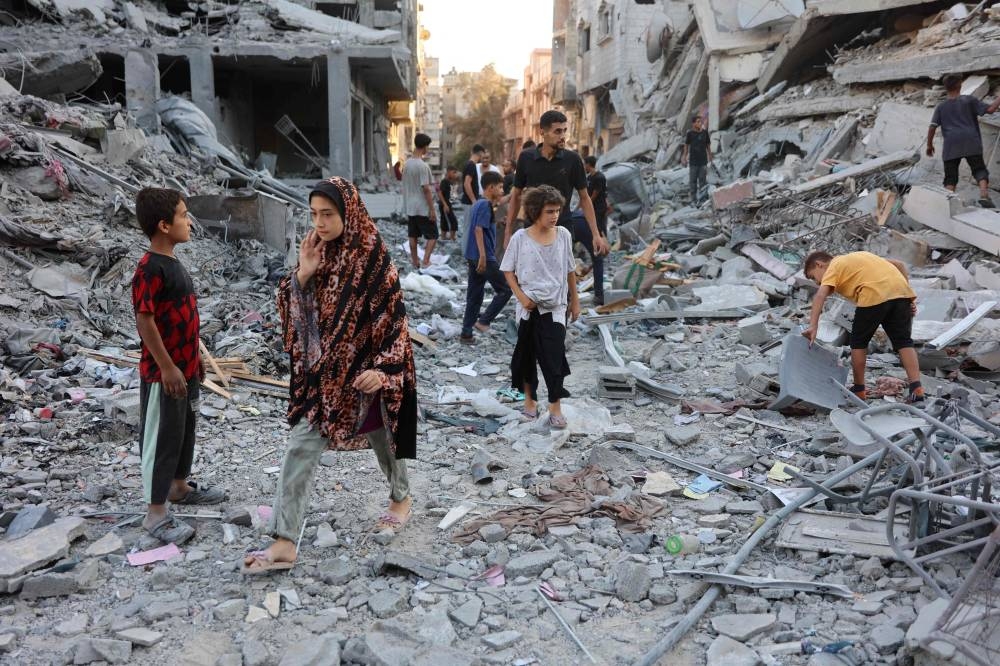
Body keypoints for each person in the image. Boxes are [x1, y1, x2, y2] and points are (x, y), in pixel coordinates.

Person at [243, 177, 418, 574]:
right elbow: (294, 317)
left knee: (383, 439)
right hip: (323, 377)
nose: (319, 223)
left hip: (366, 375)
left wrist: (382, 371)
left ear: (348, 213)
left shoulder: (373, 255)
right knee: (300, 447)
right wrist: (303, 276)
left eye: (328, 214)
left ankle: (401, 498)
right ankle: (285, 541)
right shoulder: (315, 251)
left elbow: (394, 321)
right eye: (314, 214)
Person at [131, 187, 226, 546]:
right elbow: (145, 321)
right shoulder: (149, 268)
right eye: (183, 215)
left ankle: (179, 486)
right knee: (162, 438)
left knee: (184, 430)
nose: (189, 221)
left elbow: (183, 319)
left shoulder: (172, 262)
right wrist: (168, 367)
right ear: (163, 225)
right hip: (163, 373)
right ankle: (155, 513)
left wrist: (194, 360)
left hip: (186, 368)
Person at [501, 185, 580, 429]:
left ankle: (555, 406)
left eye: (557, 210)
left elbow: (570, 271)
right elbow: (507, 270)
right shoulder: (520, 238)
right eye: (549, 211)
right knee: (527, 358)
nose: (554, 216)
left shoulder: (564, 235)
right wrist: (522, 298)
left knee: (554, 359)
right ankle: (530, 403)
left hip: (555, 307)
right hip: (528, 308)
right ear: (536, 211)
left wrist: (575, 301)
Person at [802, 250, 924, 404]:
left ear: (819, 264)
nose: (817, 282)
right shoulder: (860, 257)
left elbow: (820, 295)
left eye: (813, 277)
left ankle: (859, 389)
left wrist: (813, 326)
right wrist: (908, 297)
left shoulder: (834, 266)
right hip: (901, 292)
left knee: (858, 343)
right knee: (904, 341)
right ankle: (917, 389)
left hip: (873, 294)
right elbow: (899, 265)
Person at [505, 110, 609, 257]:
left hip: (562, 229)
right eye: (557, 131)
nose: (562, 136)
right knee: (531, 275)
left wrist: (596, 234)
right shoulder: (526, 158)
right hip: (533, 229)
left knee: (562, 276)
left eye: (564, 131)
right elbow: (516, 195)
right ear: (542, 132)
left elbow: (585, 198)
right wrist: (508, 231)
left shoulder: (572, 160)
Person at [927, 74, 1000, 208]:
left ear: (946, 88)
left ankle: (948, 202)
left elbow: (932, 127)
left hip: (951, 145)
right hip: (971, 141)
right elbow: (990, 110)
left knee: (951, 175)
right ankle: (984, 195)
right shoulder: (969, 100)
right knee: (979, 169)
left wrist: (929, 145)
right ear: (960, 85)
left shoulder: (941, 107)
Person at [461, 170, 513, 344]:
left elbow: (483, 225)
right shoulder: (485, 205)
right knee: (506, 289)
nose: (502, 190)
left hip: (472, 255)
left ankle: (466, 334)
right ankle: (484, 321)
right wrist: (483, 256)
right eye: (500, 187)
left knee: (474, 296)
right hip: (484, 256)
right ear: (490, 187)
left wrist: (498, 223)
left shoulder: (479, 203)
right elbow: (478, 230)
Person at [402, 133, 438, 268]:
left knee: (413, 235)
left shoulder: (407, 164)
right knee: (433, 235)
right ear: (425, 147)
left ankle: (415, 261)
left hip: (410, 206)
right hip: (422, 207)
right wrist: (432, 209)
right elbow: (426, 189)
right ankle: (426, 261)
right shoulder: (422, 166)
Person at [583, 155, 609, 305]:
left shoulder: (599, 177)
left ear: (589, 164)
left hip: (597, 209)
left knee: (600, 231)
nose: (584, 167)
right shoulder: (590, 177)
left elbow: (594, 195)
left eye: (585, 164)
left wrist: (584, 205)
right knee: (596, 231)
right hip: (592, 209)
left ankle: (602, 249)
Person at [681, 114, 712, 205]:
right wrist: (684, 157)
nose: (700, 123)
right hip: (693, 162)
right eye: (698, 122)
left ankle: (703, 198)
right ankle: (693, 199)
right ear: (693, 124)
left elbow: (708, 145)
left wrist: (710, 156)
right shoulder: (690, 133)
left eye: (700, 121)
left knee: (702, 180)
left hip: (703, 161)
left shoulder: (705, 133)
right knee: (693, 181)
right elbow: (686, 146)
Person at [438, 166, 460, 241]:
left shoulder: (449, 181)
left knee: (446, 220)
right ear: (448, 172)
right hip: (444, 205)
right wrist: (445, 205)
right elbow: (440, 193)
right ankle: (449, 237)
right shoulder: (444, 181)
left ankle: (447, 237)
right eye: (453, 172)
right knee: (452, 221)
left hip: (447, 204)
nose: (455, 174)